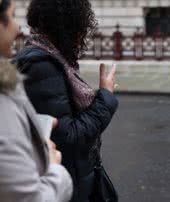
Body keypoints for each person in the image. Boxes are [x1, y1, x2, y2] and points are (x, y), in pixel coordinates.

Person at [14, 0, 119, 201]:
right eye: (81, 29)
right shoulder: (43, 67)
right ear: (69, 27)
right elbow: (68, 138)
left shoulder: (51, 58)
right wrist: (105, 97)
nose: (82, 37)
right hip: (67, 187)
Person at [0, 0, 73, 201]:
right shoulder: (43, 65)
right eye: (13, 16)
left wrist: (33, 122)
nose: (17, 27)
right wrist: (54, 168)